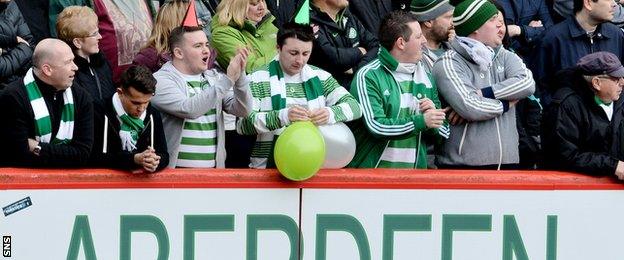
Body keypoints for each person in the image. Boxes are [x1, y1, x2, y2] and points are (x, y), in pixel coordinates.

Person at [236, 22, 361, 169]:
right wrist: (283, 116)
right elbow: (242, 125)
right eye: (293, 53)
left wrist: (329, 113)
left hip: (312, 166)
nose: (300, 60)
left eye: (306, 54)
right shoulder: (256, 79)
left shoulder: (321, 77)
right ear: (278, 48)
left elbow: (355, 107)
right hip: (266, 170)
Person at [432, 0, 535, 169]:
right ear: (475, 28)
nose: (500, 24)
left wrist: (482, 94)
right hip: (463, 167)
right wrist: (506, 104)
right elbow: (471, 107)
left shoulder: (506, 55)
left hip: (508, 163)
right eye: (492, 19)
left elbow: (527, 84)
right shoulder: (448, 62)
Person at [349, 11, 449, 168]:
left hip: (414, 180)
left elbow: (444, 134)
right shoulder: (368, 76)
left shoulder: (426, 77)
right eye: (418, 36)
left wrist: (434, 122)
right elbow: (376, 126)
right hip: (372, 178)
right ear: (401, 43)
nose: (424, 40)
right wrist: (421, 121)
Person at [151, 26, 251, 168]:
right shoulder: (159, 80)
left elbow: (243, 110)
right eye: (198, 46)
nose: (206, 51)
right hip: (173, 176)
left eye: (206, 45)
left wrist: (239, 75)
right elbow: (189, 109)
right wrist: (228, 80)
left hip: (212, 175)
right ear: (179, 53)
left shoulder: (214, 79)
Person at [0, 39, 93, 167]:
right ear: (47, 69)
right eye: (68, 62)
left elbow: (82, 155)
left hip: (67, 184)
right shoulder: (13, 97)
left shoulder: (81, 97)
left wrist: (37, 148)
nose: (75, 67)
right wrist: (65, 156)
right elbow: (19, 156)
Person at [542, 52, 624, 178]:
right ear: (597, 83)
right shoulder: (566, 105)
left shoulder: (620, 100)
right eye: (617, 79)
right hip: (577, 192)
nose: (622, 83)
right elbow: (564, 157)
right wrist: (612, 166)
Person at [532, 0, 624, 106]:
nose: (614, 4)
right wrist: (558, 113)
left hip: (612, 119)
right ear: (588, 3)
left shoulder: (616, 35)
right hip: (567, 119)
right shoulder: (552, 39)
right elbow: (539, 89)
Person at [91, 65, 169, 173]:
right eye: (135, 103)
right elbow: (92, 156)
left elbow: (164, 155)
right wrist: (134, 159)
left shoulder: (153, 114)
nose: (141, 109)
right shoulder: (97, 110)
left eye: (146, 102)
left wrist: (154, 162)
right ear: (120, 93)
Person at [308, 0, 379, 89]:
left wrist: (356, 68)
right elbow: (333, 58)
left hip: (362, 86)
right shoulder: (307, 21)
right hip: (331, 93)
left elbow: (376, 46)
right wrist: (359, 51)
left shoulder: (348, 16)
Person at [56, 6, 114, 108]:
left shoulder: (101, 62)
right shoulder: (70, 75)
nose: (100, 37)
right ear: (77, 42)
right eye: (94, 34)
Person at [211, 0, 278, 73]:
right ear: (237, 5)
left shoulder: (266, 23)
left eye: (263, 1)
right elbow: (250, 69)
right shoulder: (222, 35)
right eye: (254, 4)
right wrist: (283, 53)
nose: (262, 7)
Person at [133, 0, 190, 73]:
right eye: (192, 18)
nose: (199, 22)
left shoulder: (200, 51)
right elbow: (134, 82)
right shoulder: (149, 57)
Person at [410, 0, 455, 72]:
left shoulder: (454, 44)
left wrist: (458, 48)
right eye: (448, 17)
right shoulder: (416, 57)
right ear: (428, 22)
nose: (453, 22)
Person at [0, 0, 33, 86]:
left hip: (22, 82)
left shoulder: (11, 5)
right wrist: (14, 39)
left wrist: (3, 51)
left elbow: (30, 45)